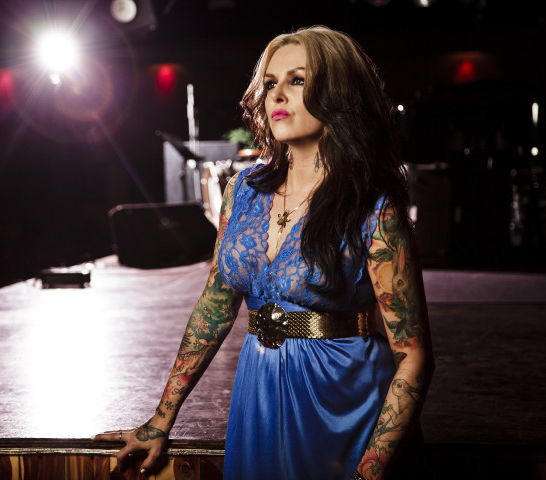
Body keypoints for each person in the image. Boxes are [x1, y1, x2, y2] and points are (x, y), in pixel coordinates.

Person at [94, 25, 434, 480]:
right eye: (271, 83)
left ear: (340, 94)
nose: (277, 94)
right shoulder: (243, 191)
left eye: (297, 80)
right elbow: (215, 307)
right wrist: (161, 419)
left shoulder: (373, 208)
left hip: (343, 403)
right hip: (259, 393)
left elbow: (413, 356)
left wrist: (369, 473)